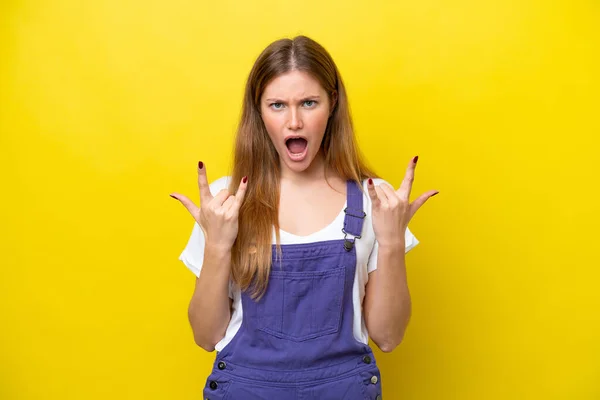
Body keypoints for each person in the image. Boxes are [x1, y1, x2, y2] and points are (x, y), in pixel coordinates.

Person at [170, 35, 438, 400]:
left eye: (308, 103)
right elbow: (206, 336)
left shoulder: (376, 199)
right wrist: (217, 245)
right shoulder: (226, 202)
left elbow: (388, 337)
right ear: (259, 111)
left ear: (332, 105)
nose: (294, 121)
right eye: (277, 104)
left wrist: (391, 242)